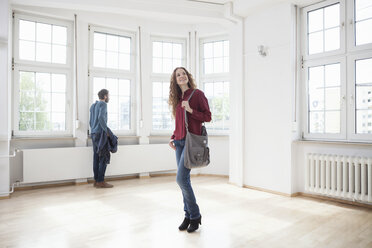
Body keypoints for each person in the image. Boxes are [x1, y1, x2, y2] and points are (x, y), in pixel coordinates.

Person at [168, 67, 211, 233]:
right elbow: (179, 122)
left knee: (181, 179)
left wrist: (191, 110)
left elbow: (207, 116)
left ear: (188, 76)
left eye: (183, 74)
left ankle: (194, 215)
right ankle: (187, 215)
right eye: (178, 75)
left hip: (191, 141)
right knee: (184, 180)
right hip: (179, 142)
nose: (181, 76)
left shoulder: (197, 94)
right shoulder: (178, 99)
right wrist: (173, 137)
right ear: (175, 80)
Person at [89, 89, 114, 188]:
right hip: (100, 133)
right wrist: (106, 131)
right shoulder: (103, 104)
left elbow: (91, 121)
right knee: (103, 157)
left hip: (94, 133)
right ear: (105, 96)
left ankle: (96, 180)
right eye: (109, 95)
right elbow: (101, 118)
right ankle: (100, 181)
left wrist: (93, 130)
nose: (109, 97)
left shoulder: (93, 106)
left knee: (96, 157)